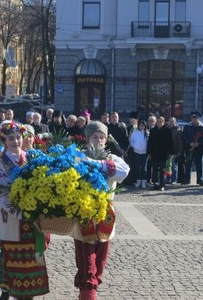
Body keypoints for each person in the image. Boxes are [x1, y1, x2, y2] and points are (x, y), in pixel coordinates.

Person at [72, 121, 129, 300]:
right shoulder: (78, 157)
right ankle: (87, 290)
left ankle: (90, 285)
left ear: (106, 140)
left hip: (105, 213)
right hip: (84, 213)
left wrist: (99, 165)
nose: (98, 140)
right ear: (88, 139)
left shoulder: (113, 159)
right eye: (94, 137)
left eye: (102, 137)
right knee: (86, 255)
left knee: (101, 258)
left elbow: (124, 172)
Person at [0, 121, 49, 300]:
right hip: (12, 219)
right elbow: (3, 194)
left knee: (31, 258)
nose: (15, 142)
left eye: (18, 138)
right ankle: (7, 289)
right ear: (4, 141)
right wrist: (24, 214)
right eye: (11, 139)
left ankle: (28, 294)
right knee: (10, 257)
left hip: (31, 220)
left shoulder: (31, 158)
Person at [182, 111, 203, 185]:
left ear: (198, 118)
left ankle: (200, 180)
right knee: (188, 165)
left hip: (199, 149)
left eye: (195, 117)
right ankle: (187, 180)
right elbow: (184, 137)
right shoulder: (187, 127)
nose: (194, 119)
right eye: (193, 117)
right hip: (189, 149)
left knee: (199, 165)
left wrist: (198, 143)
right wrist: (190, 143)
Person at [147, 116, 173, 191]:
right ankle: (155, 184)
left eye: (160, 122)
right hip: (154, 153)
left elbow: (171, 142)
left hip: (164, 154)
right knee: (154, 170)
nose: (159, 123)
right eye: (158, 121)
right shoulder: (153, 130)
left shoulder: (167, 130)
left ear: (163, 122)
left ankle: (162, 185)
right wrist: (149, 153)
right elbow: (150, 142)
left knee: (163, 171)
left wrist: (171, 153)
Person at [129, 120, 148, 188]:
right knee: (137, 167)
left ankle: (143, 181)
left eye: (143, 125)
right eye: (140, 125)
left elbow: (148, 143)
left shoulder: (147, 133)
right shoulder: (134, 133)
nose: (141, 126)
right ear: (138, 125)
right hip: (136, 152)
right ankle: (138, 181)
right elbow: (131, 142)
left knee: (143, 167)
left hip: (144, 153)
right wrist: (136, 147)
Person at [167, 117, 184, 185]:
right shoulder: (167, 129)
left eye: (172, 121)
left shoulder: (178, 130)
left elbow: (180, 142)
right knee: (168, 166)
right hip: (168, 151)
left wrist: (180, 151)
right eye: (170, 121)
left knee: (174, 166)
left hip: (175, 151)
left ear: (175, 122)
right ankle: (168, 179)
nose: (171, 123)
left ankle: (173, 179)